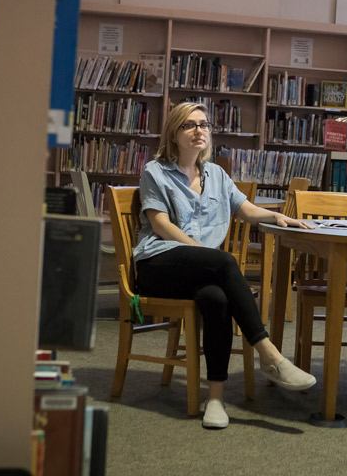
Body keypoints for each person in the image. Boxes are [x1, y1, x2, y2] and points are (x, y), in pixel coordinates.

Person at [134, 102, 317, 429]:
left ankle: (215, 397)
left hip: (200, 269)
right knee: (223, 262)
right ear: (174, 134)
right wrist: (203, 255)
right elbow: (160, 225)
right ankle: (270, 354)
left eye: (203, 124)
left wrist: (276, 215)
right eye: (189, 125)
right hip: (158, 263)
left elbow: (245, 209)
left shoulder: (216, 174)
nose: (199, 130)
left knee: (217, 298)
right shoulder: (154, 172)